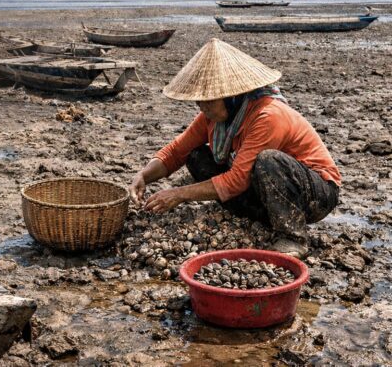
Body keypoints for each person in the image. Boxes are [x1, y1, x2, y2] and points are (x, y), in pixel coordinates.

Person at [129, 38, 340, 258]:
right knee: (196, 156)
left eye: (209, 101)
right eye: (199, 102)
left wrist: (180, 194)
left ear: (233, 97)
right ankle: (260, 216)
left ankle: (294, 237)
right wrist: (143, 175)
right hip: (268, 187)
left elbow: (238, 178)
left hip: (316, 191)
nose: (203, 108)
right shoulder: (212, 117)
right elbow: (176, 151)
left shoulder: (268, 114)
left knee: (268, 161)